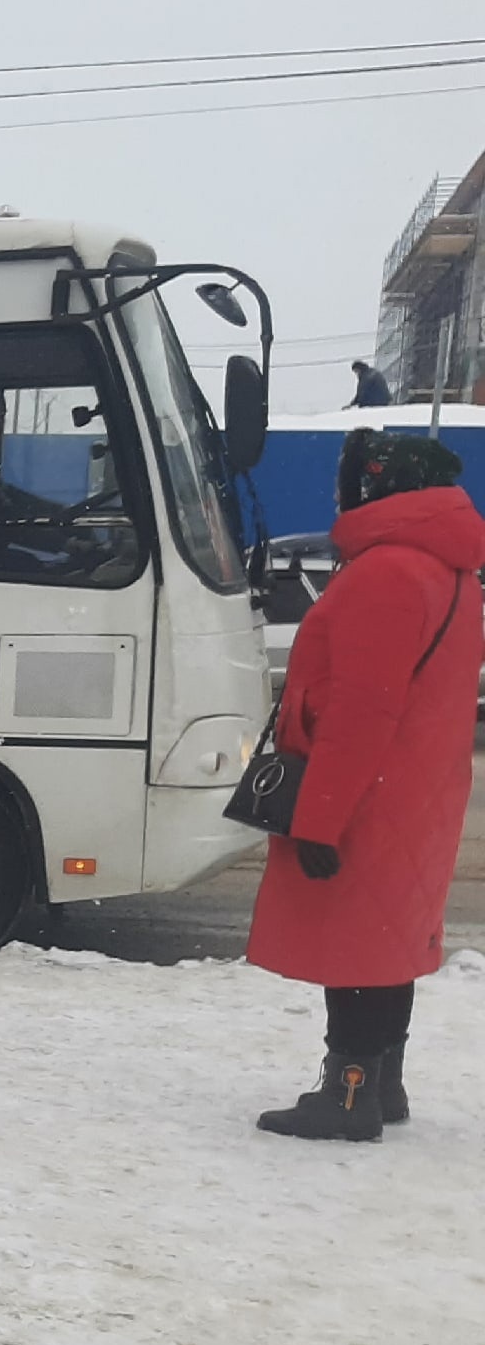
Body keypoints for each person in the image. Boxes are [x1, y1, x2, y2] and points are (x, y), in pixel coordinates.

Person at [248, 428, 485, 1140]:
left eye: (347, 482)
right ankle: (382, 1083)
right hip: (416, 786)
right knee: (387, 936)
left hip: (364, 790)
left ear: (377, 487)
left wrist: (319, 815)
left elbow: (361, 708)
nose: (336, 496)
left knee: (354, 939)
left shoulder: (385, 573)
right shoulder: (449, 571)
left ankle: (347, 1095)